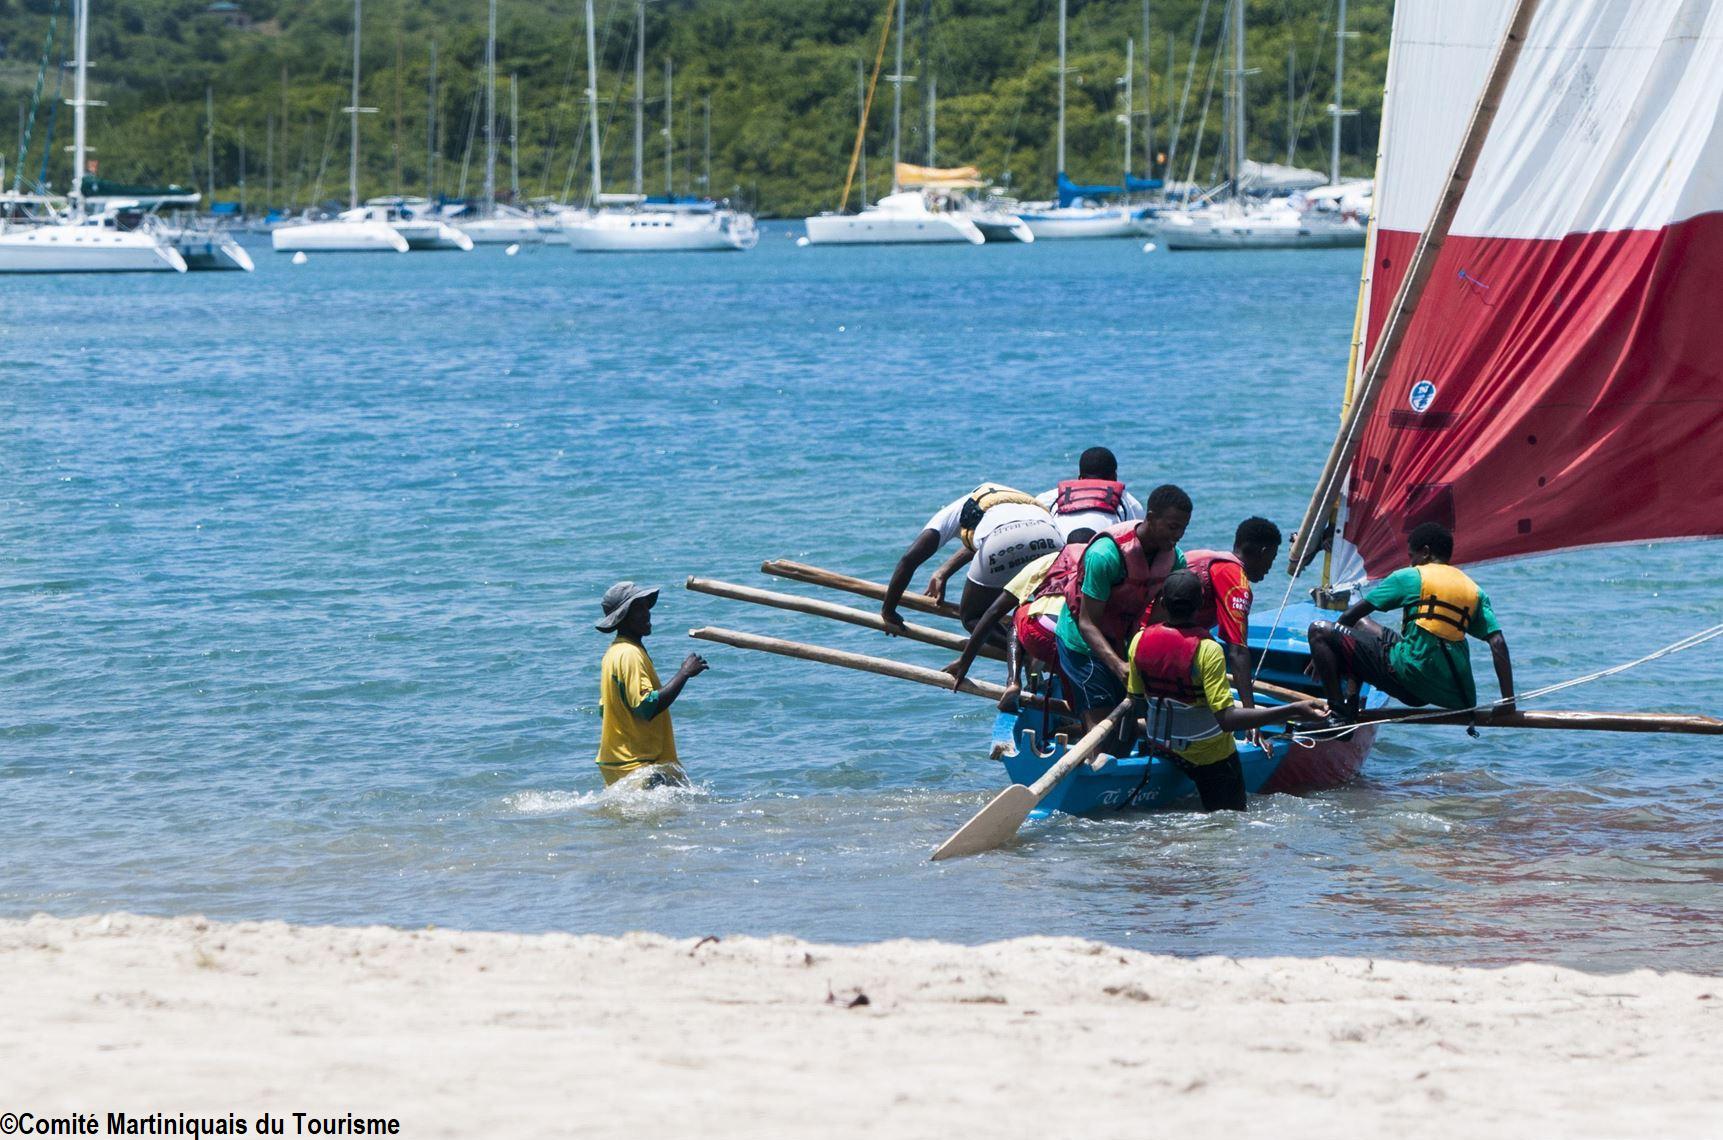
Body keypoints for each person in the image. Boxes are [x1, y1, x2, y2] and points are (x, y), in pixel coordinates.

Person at [1127, 571, 1328, 812]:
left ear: (1161, 604)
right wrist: (1292, 710)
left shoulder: (1139, 640)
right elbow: (1227, 719)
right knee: (1231, 822)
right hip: (1209, 757)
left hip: (1160, 747)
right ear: (1201, 605)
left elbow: (1137, 702)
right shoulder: (1207, 650)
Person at [1306, 522, 1515, 724]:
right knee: (1362, 625)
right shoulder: (1474, 590)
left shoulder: (1411, 576)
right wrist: (1508, 702)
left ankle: (1339, 715)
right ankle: (1351, 705)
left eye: (1412, 556)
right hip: (1447, 690)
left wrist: (1320, 655)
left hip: (1409, 677)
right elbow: (1498, 643)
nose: (1411, 562)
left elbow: (1347, 618)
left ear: (1425, 552)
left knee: (1319, 630)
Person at [1055, 484, 1193, 732]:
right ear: (1151, 518)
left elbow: (1157, 624)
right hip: (1082, 642)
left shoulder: (1175, 560)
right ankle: (1086, 748)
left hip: (1121, 639)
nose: (1179, 535)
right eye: (1173, 527)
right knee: (1103, 728)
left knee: (1127, 726)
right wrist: (1119, 666)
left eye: (1183, 528)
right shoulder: (1106, 555)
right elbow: (1087, 623)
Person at [880, 482, 1063, 631]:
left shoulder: (947, 516)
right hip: (1051, 535)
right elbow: (985, 538)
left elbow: (909, 560)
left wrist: (888, 611)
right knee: (1050, 608)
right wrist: (944, 572)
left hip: (1001, 540)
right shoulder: (1009, 500)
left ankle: (1025, 652)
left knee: (974, 618)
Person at [595, 581, 708, 788]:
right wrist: (684, 673)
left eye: (646, 606)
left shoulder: (613, 654)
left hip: (620, 765)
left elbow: (605, 709)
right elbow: (647, 706)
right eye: (638, 609)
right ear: (623, 617)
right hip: (642, 765)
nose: (647, 613)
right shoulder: (630, 655)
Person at [941, 546, 1071, 711]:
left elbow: (993, 612)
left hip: (1043, 633)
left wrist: (964, 662)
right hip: (1080, 641)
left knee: (1021, 612)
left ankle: (1013, 681)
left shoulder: (1048, 560)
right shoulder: (1098, 561)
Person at [1176, 517, 1283, 710]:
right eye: (1272, 559)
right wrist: (1251, 716)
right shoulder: (1235, 579)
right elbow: (1238, 651)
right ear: (1263, 552)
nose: (1270, 567)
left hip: (1145, 636)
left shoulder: (1214, 559)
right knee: (1212, 648)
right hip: (1169, 645)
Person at [1036, 445, 1146, 544]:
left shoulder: (1054, 497)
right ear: (1114, 477)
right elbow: (1140, 537)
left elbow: (1033, 510)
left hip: (1061, 557)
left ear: (1079, 478)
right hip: (1101, 560)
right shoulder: (1128, 502)